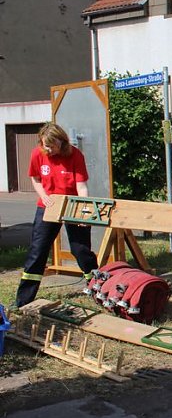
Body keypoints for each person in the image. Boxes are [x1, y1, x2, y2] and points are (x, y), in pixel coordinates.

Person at [16, 123, 99, 307]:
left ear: (61, 142)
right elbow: (35, 178)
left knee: (80, 250)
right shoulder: (38, 153)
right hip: (48, 206)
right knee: (38, 251)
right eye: (44, 145)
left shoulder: (75, 155)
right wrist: (44, 196)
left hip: (72, 205)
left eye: (51, 146)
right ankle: (23, 300)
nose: (47, 149)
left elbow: (81, 187)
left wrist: (84, 214)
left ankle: (97, 288)